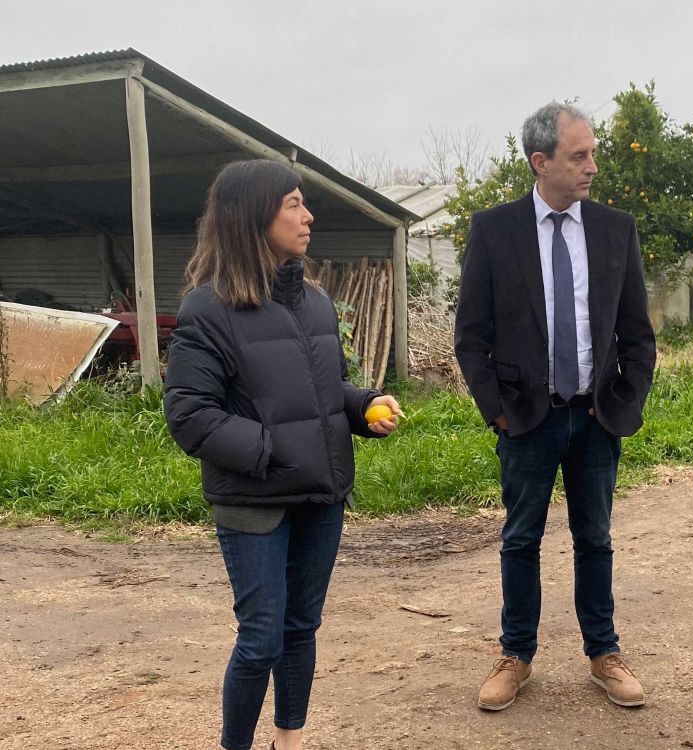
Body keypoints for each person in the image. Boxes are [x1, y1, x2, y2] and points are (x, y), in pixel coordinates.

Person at [163, 159, 400, 750]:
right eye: (293, 202)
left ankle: (288, 740)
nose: (307, 215)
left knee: (301, 629)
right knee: (262, 637)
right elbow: (190, 415)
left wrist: (364, 406)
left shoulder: (315, 303)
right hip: (254, 500)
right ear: (252, 216)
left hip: (320, 496)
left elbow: (323, 394)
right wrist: (271, 452)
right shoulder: (207, 310)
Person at [454, 102, 656, 711]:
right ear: (541, 162)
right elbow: (472, 336)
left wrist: (625, 399)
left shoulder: (616, 229)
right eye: (580, 155)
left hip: (596, 417)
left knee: (596, 538)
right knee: (521, 539)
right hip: (527, 418)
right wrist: (498, 410)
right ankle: (516, 655)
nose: (593, 165)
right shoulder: (494, 230)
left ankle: (604, 654)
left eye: (593, 152)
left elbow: (637, 333)